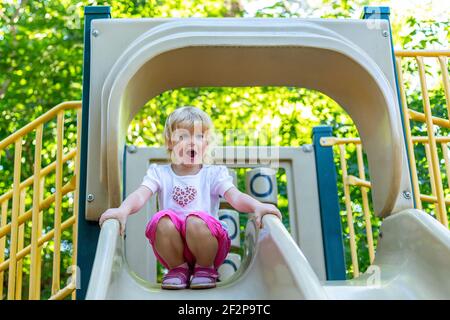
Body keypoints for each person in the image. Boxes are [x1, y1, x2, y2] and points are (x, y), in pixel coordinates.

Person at [99, 106, 282, 290]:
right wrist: (123, 210)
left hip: (207, 242)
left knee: (194, 220)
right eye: (183, 136)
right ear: (170, 143)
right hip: (174, 246)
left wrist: (258, 206)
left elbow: (235, 197)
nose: (191, 142)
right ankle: (178, 269)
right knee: (161, 220)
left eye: (199, 136)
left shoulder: (213, 174)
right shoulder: (160, 173)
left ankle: (205, 269)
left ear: (207, 143)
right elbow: (140, 194)